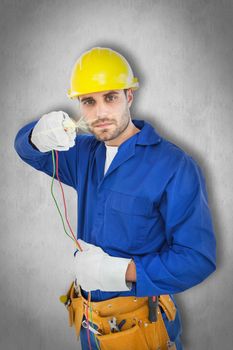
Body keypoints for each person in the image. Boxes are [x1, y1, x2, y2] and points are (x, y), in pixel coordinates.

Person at [14, 47, 216, 350]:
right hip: (90, 327)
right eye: (88, 101)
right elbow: (26, 150)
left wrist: (122, 272)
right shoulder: (83, 153)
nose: (100, 113)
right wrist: (36, 135)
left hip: (142, 329)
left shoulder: (174, 166)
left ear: (129, 96)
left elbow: (197, 258)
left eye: (110, 97)